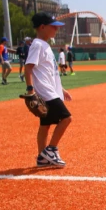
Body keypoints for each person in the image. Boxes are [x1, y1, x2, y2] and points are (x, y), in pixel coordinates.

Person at [24, 13, 72, 167]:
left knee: (45, 125)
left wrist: (61, 88)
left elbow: (49, 72)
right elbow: (28, 67)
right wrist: (30, 90)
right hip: (46, 92)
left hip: (50, 90)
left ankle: (41, 157)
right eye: (53, 27)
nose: (56, 30)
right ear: (42, 27)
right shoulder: (37, 44)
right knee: (66, 118)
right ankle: (51, 150)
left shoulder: (45, 45)